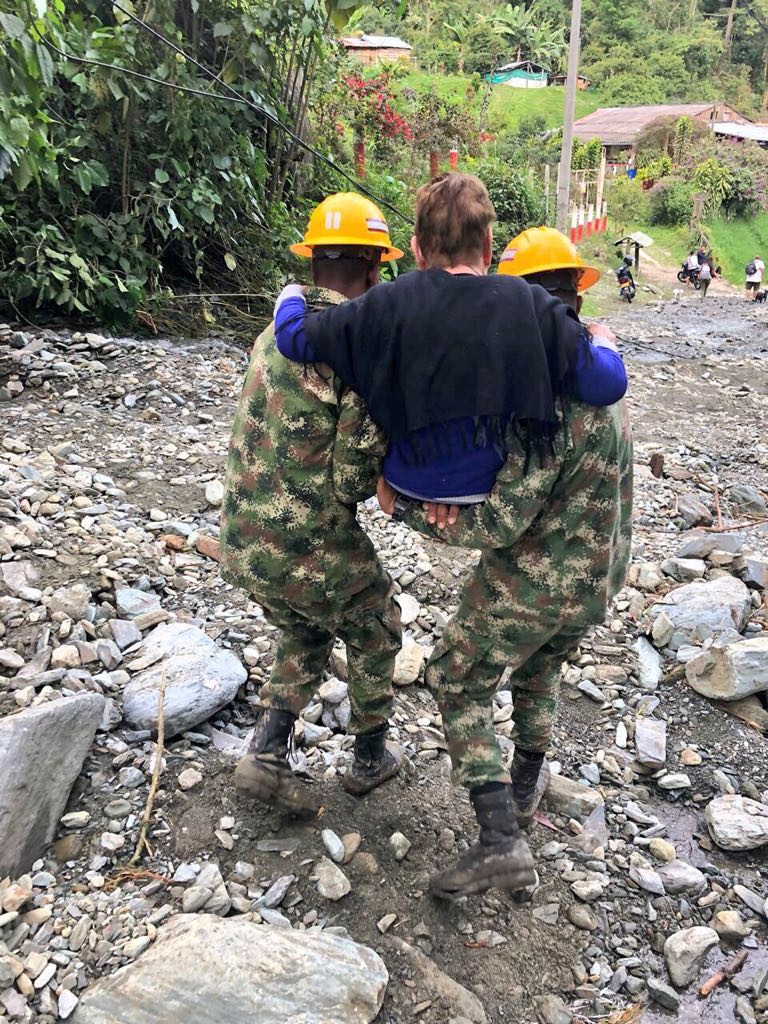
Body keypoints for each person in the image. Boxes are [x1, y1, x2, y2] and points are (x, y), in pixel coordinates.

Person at [272, 174, 630, 899]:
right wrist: (601, 337)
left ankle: (500, 838)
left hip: (432, 487)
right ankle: (526, 784)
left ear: (414, 249)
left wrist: (399, 504)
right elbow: (607, 383)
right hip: (602, 572)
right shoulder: (540, 323)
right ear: (489, 247)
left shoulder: (387, 304)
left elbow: (297, 338)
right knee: (540, 658)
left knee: (458, 675)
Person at [220, 193, 405, 815]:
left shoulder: (276, 332)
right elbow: (354, 481)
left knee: (306, 622)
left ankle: (269, 750)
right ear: (376, 270)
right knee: (377, 622)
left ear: (314, 262)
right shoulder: (358, 348)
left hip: (241, 536)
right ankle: (370, 757)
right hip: (302, 539)